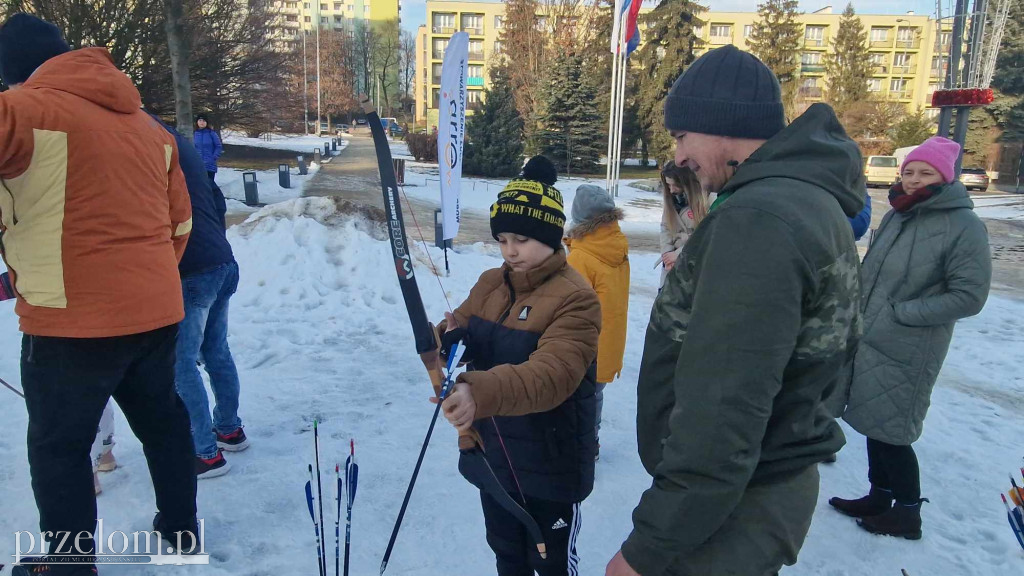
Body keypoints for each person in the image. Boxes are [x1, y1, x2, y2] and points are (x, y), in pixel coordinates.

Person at [606, 45, 864, 576]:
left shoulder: (760, 219)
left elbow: (724, 409)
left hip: (733, 506)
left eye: (681, 136)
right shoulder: (801, 197)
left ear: (721, 124)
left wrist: (648, 548)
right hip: (752, 489)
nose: (678, 157)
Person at [0, 14, 198, 574]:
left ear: (12, 73)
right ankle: (180, 529)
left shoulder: (20, 111)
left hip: (71, 323)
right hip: (155, 312)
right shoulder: (150, 129)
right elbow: (179, 227)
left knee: (59, 447)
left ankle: (69, 565)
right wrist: (145, 285)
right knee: (163, 421)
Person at [435, 175, 601, 576]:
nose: (510, 250)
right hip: (494, 455)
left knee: (550, 564)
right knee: (507, 557)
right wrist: (448, 338)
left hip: (550, 462)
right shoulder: (491, 284)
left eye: (522, 239)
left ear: (551, 234)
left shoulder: (576, 298)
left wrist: (477, 392)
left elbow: (552, 375)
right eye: (503, 238)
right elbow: (458, 323)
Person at [829, 136, 991, 539]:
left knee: (894, 431)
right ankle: (878, 496)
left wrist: (902, 314)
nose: (915, 180)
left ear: (946, 177)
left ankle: (907, 513)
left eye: (926, 173)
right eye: (909, 172)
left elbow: (969, 295)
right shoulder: (899, 214)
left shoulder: (964, 225)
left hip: (911, 345)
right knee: (873, 419)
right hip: (872, 336)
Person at [157, 116, 247, 479]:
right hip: (222, 261)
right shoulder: (186, 150)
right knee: (216, 350)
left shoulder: (148, 151)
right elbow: (217, 201)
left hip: (192, 271)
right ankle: (229, 428)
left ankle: (204, 452)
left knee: (181, 364)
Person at [564, 184, 629, 460]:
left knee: (576, 399)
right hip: (609, 341)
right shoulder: (617, 248)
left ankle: (579, 445)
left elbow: (571, 307)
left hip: (585, 346)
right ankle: (592, 443)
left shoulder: (581, 257)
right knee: (594, 395)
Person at [658, 162, 707, 286]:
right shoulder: (671, 201)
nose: (672, 190)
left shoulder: (706, 201)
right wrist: (667, 254)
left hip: (692, 261)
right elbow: (665, 227)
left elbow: (704, 234)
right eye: (668, 185)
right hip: (670, 263)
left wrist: (678, 254)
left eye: (676, 185)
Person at [193, 114, 223, 188]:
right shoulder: (194, 134)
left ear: (206, 123)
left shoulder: (211, 133)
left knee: (209, 186)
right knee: (199, 187)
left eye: (203, 121)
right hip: (198, 164)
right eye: (200, 120)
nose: (201, 122)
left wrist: (214, 157)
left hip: (209, 165)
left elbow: (218, 146)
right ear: (197, 122)